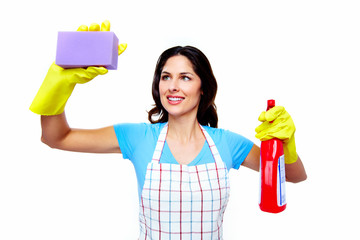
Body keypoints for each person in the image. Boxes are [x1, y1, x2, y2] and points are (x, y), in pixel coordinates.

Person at [30, 21, 307, 239]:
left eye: (185, 77)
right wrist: (59, 83)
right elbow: (56, 137)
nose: (172, 86)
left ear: (203, 88)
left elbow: (294, 176)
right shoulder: (138, 137)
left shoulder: (227, 144)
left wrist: (287, 144)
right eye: (166, 77)